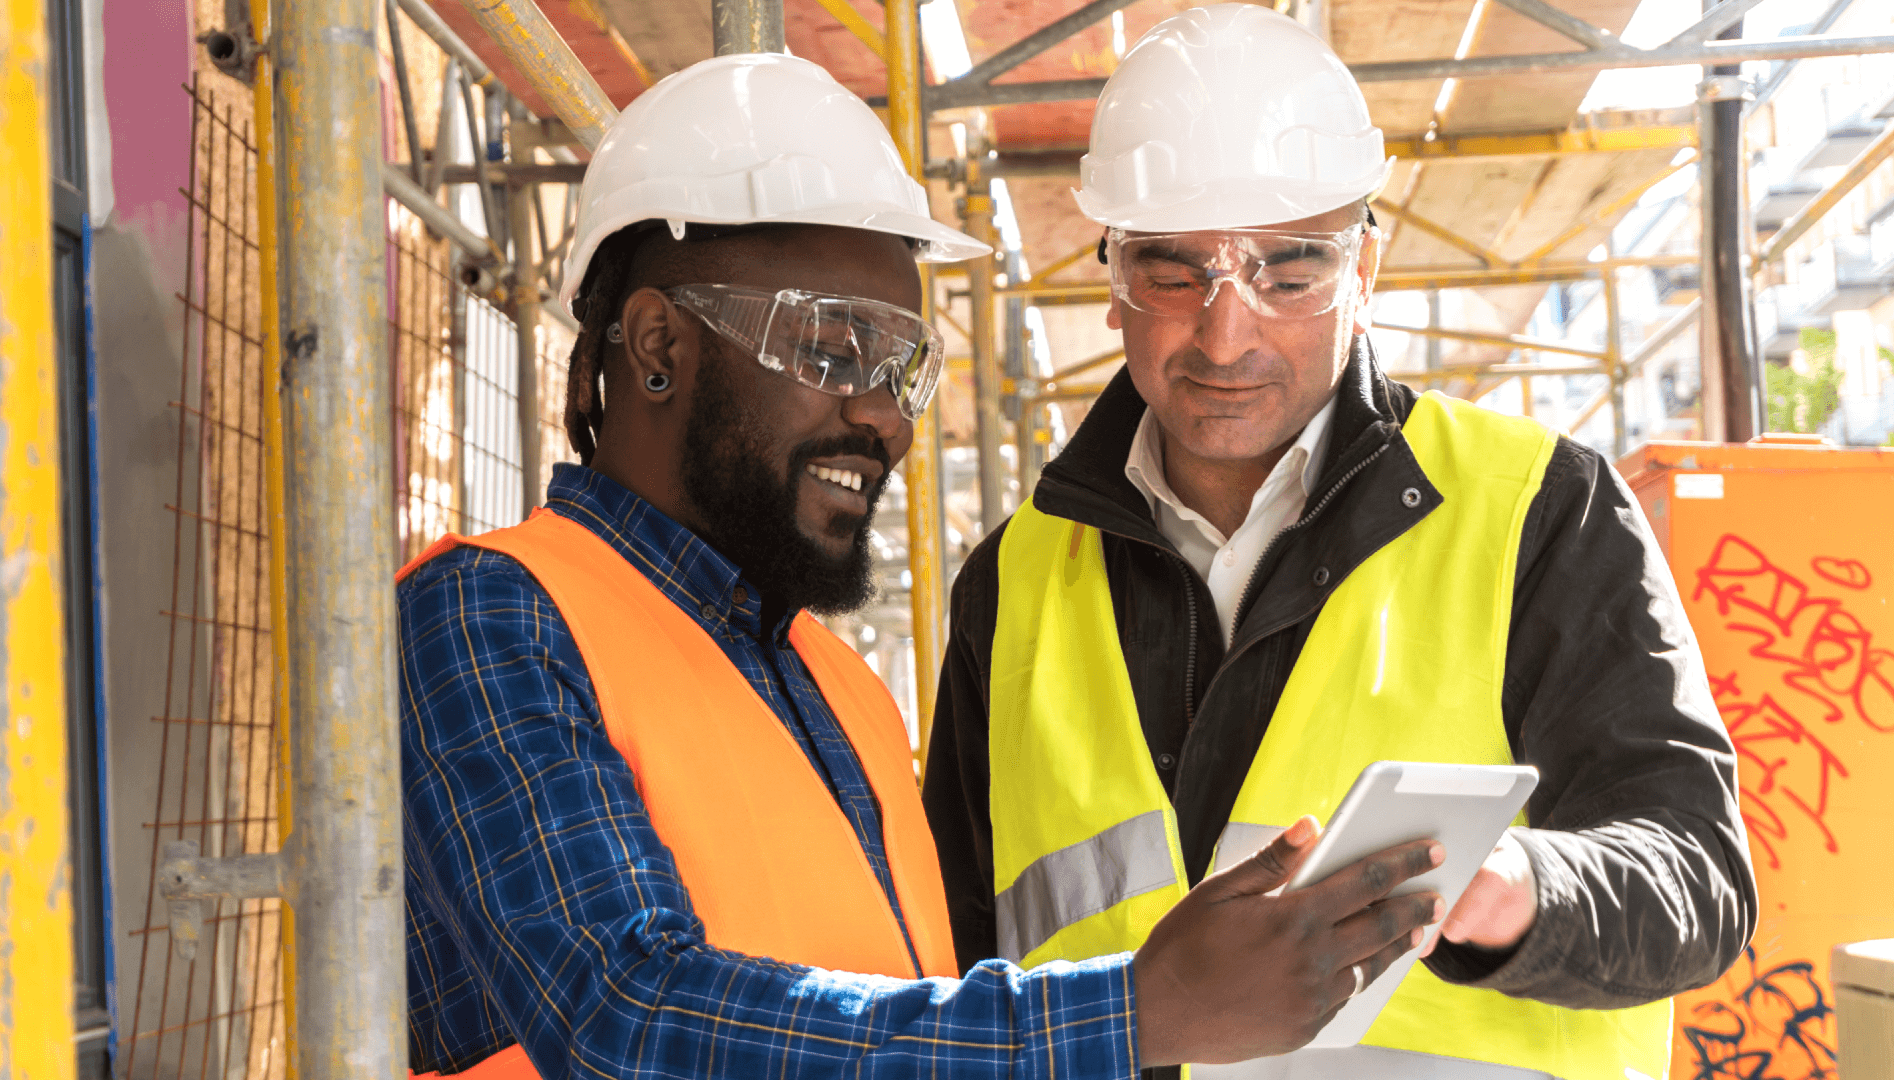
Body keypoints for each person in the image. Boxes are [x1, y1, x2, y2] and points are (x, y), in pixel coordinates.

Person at [398, 52, 1449, 1080]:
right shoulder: (491, 618)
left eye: (903, 367)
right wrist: (1137, 1010)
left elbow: (907, 1016)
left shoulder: (840, 689)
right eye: (832, 350)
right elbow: (621, 1017)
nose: (884, 417)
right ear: (658, 345)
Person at [922, 7, 1758, 1080]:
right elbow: (949, 943)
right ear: (1112, 272)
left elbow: (1698, 879)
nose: (1227, 334)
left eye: (1291, 270)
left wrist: (1525, 887)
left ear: (1366, 265)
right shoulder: (1014, 579)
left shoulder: (1538, 507)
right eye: (1175, 272)